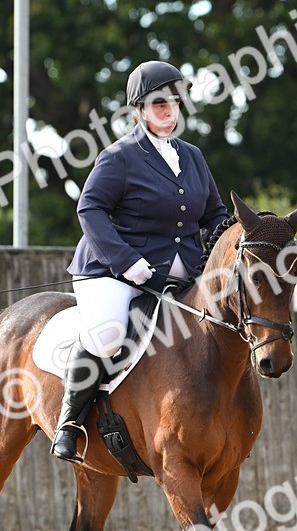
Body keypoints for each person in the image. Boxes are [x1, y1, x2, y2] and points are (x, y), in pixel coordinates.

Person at [50, 60, 229, 461]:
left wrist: (221, 243)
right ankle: (70, 422)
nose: (168, 110)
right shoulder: (120, 157)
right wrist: (126, 261)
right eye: (158, 103)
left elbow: (215, 214)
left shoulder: (194, 157)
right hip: (113, 270)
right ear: (139, 110)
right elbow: (90, 208)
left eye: (174, 103)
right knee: (107, 332)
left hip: (180, 270)